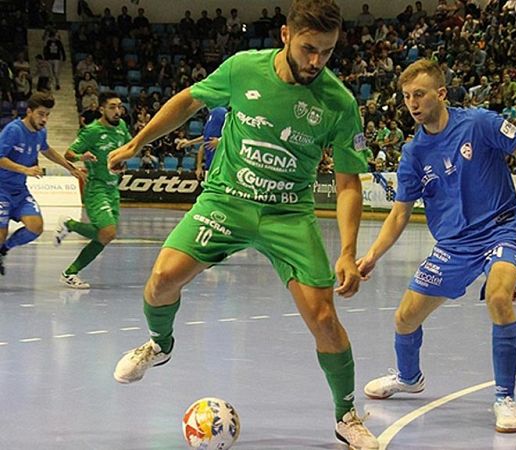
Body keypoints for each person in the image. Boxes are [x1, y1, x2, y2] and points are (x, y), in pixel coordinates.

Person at [105, 1, 377, 448]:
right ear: (286, 35)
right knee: (160, 281)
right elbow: (189, 100)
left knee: (325, 320)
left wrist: (347, 250)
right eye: (310, 49)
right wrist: (137, 141)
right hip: (225, 201)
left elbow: (348, 182)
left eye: (327, 52)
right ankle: (160, 344)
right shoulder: (242, 69)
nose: (316, 61)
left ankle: (345, 415)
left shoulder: (339, 103)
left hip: (288, 214)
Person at [356, 60, 516, 433]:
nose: (412, 103)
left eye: (420, 94)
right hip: (454, 244)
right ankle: (409, 378)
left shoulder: (478, 123)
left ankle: (505, 397)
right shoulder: (413, 153)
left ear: (441, 94)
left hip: (501, 228)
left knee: (498, 297)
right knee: (405, 318)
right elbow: (399, 215)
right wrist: (372, 255)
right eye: (407, 96)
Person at [0, 93, 86, 275]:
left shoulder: (41, 132)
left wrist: (70, 167)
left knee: (36, 228)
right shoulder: (13, 130)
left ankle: (3, 249)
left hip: (20, 191)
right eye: (41, 114)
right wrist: (25, 169)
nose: (44, 119)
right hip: (1, 190)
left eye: (47, 115)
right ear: (29, 112)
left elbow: (47, 150)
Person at [53, 91, 131, 289]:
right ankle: (69, 223)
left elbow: (128, 147)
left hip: (114, 189)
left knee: (105, 237)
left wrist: (123, 162)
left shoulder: (122, 127)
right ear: (102, 109)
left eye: (119, 106)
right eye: (112, 107)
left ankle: (69, 273)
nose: (117, 111)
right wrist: (82, 158)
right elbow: (68, 154)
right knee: (108, 232)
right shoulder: (92, 131)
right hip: (96, 188)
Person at [175, 107, 227, 180]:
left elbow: (234, 135)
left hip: (222, 167)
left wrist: (220, 141)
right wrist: (189, 143)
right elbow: (206, 139)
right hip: (209, 167)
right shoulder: (211, 115)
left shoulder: (223, 113)